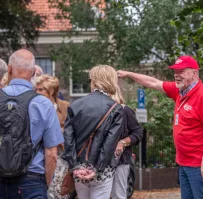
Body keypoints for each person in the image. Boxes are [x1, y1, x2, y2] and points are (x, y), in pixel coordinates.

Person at [117, 55, 203, 199]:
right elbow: (153, 82)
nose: (177, 75)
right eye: (175, 72)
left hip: (199, 165)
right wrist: (128, 74)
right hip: (185, 162)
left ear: (194, 73)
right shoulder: (180, 91)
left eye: (181, 71)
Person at [0, 49, 64, 199]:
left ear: (9, 69)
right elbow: (52, 154)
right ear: (34, 72)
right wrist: (48, 185)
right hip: (31, 180)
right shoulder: (43, 104)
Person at [61, 65, 124, 199]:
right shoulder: (116, 108)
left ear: (93, 80)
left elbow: (68, 139)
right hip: (103, 167)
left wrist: (75, 166)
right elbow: (109, 144)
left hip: (80, 168)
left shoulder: (75, 105)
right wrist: (97, 168)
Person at [111, 86, 143, 199]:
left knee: (118, 194)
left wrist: (123, 142)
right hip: (100, 160)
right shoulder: (99, 110)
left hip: (120, 159)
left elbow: (138, 132)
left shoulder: (125, 110)